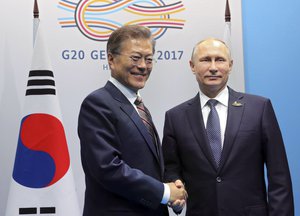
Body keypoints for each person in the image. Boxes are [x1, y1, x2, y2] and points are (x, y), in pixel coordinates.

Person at [162, 38, 294, 215]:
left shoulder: (259, 108)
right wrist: (176, 190)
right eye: (206, 60)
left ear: (230, 65)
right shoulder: (175, 117)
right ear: (192, 66)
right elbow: (171, 169)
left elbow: (279, 176)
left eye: (220, 60)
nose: (214, 67)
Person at [78, 25, 187, 216]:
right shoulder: (97, 103)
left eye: (149, 59)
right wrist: (164, 192)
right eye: (135, 58)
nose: (143, 66)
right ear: (111, 59)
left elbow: (149, 167)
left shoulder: (138, 106)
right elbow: (107, 168)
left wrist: (174, 197)